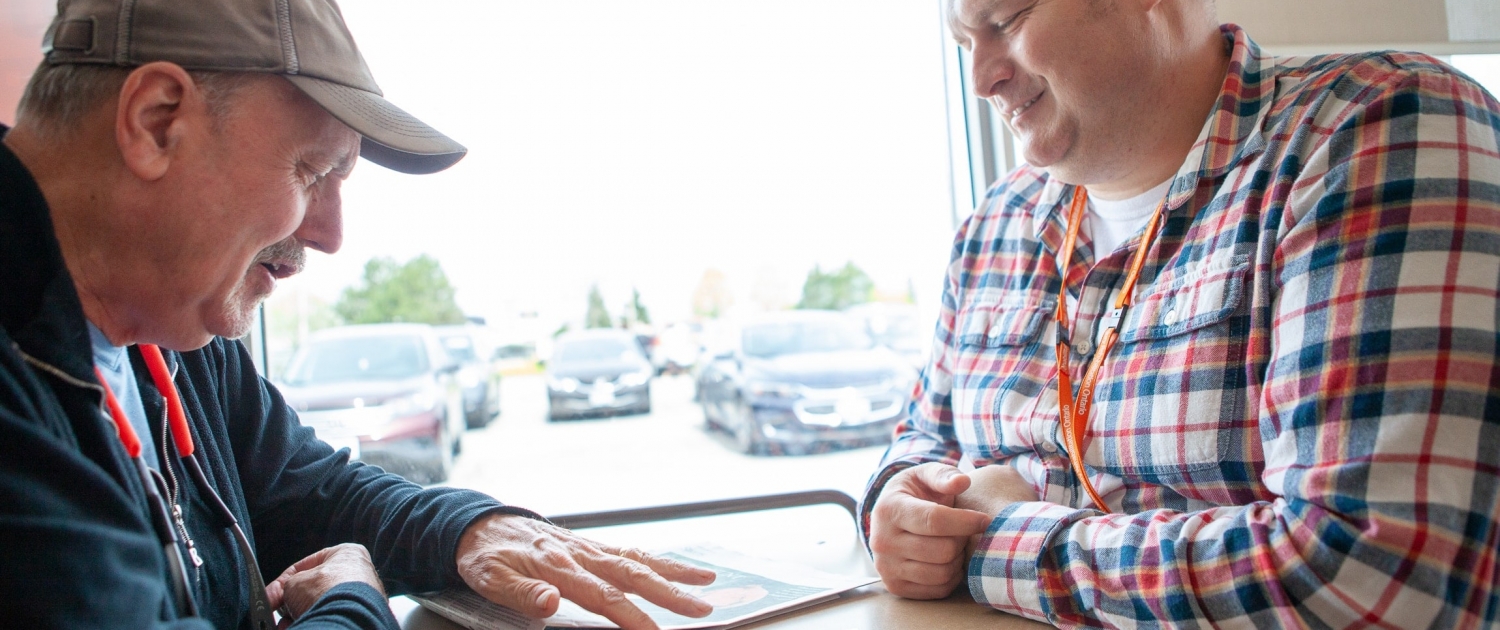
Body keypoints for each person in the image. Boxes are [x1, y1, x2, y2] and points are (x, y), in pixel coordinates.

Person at [0, 0, 715, 628]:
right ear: (157, 122)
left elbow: (307, 491)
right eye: (312, 173)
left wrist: (472, 531)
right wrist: (353, 605)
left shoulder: (167, 329)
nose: (330, 235)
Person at [862, 0, 1500, 627]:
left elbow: (1375, 576)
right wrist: (899, 503)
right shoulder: (994, 224)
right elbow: (921, 438)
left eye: (1008, 21)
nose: (980, 79)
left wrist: (994, 541)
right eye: (964, 43)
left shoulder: (1376, 129)